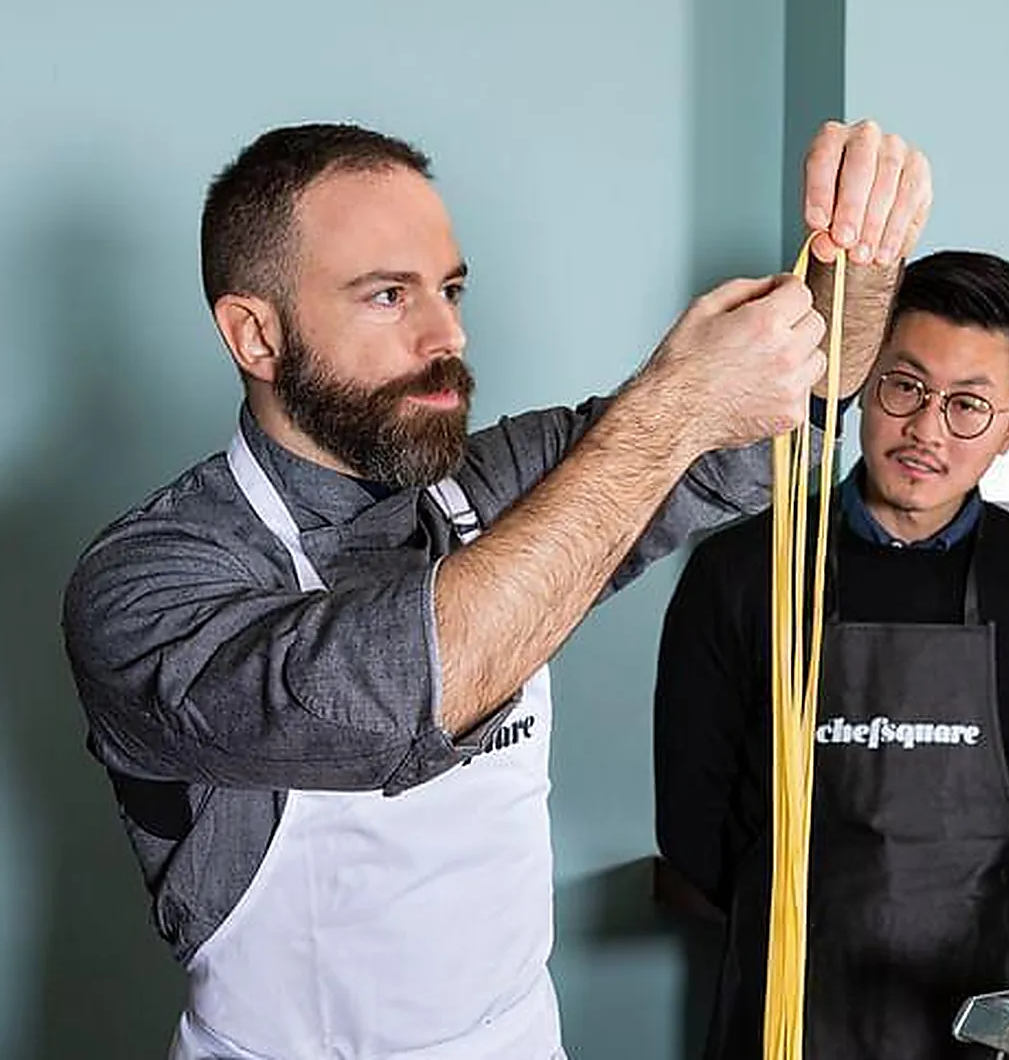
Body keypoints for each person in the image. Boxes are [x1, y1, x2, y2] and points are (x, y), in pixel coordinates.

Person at [60, 117, 931, 1060]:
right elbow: (404, 696)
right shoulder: (147, 581)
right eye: (389, 295)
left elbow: (777, 424)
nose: (450, 334)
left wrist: (862, 254)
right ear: (256, 334)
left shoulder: (491, 485)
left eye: (451, 288)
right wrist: (671, 405)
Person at [654, 249, 1009, 1060]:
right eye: (906, 387)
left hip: (983, 1014)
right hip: (786, 1008)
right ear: (865, 380)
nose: (926, 430)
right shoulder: (743, 571)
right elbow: (692, 826)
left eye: (968, 405)